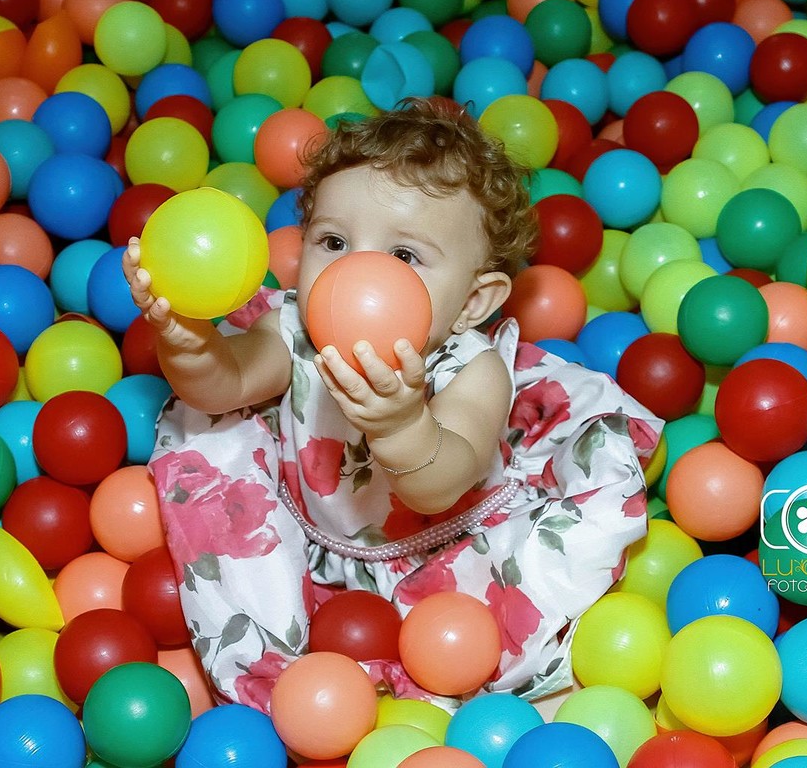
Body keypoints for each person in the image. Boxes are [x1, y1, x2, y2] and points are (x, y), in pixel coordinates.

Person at [122, 96, 663, 712]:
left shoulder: (473, 369)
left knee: (493, 657)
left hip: (448, 546)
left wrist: (403, 422)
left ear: (472, 302)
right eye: (333, 240)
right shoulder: (293, 328)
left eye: (404, 256)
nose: (360, 273)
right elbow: (223, 384)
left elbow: (439, 483)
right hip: (318, 539)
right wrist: (186, 341)